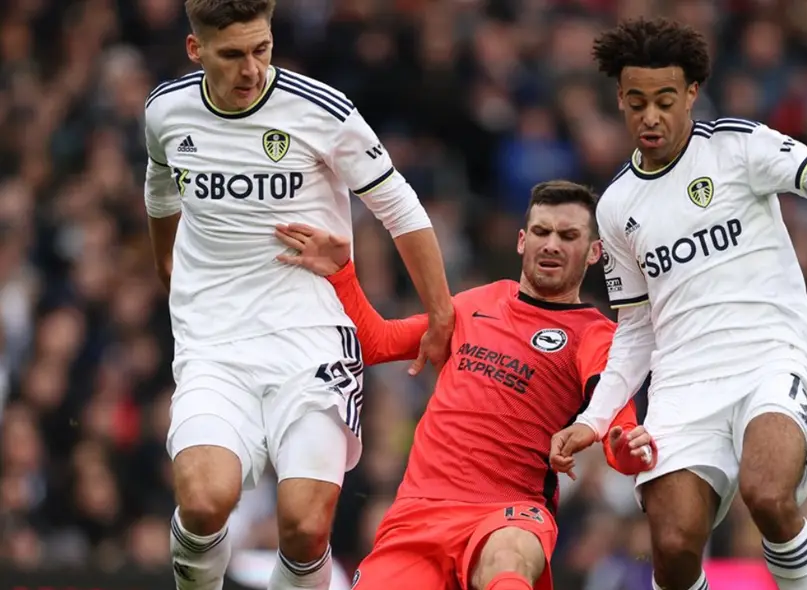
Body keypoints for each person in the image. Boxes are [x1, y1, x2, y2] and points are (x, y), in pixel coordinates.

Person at [548, 18, 807, 590]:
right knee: (672, 548)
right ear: (620, 99)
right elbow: (636, 330)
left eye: (665, 100)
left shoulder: (735, 146)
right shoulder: (618, 206)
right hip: (684, 385)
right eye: (637, 101)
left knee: (766, 495)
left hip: (769, 359)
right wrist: (593, 420)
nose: (651, 116)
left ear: (691, 93)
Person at [143, 1, 454, 589]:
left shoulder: (321, 111)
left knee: (306, 527)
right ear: (196, 50)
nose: (251, 69)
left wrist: (440, 309)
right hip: (214, 345)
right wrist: (169, 268)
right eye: (232, 54)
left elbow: (398, 206)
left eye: (261, 49)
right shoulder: (166, 111)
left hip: (311, 337)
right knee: (206, 501)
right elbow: (161, 189)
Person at [273, 180, 657, 590]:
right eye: (542, 232)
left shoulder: (595, 335)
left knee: (507, 562)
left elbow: (619, 427)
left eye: (568, 236)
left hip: (508, 512)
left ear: (595, 252)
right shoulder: (476, 304)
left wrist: (626, 450)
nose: (552, 245)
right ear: (522, 241)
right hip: (419, 512)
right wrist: (342, 273)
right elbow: (378, 342)